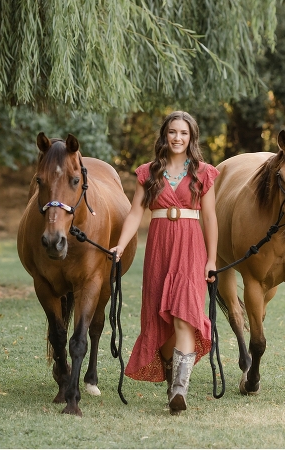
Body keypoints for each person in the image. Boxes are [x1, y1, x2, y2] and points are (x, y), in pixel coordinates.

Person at [110, 110, 219, 415]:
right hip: (159, 247)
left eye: (183, 133)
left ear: (191, 137)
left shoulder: (203, 172)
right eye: (172, 132)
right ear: (165, 135)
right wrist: (120, 245)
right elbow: (135, 213)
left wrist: (211, 258)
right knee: (161, 320)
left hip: (190, 247)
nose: (177, 138)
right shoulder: (149, 172)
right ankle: (173, 378)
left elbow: (209, 217)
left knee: (184, 314)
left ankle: (180, 390)